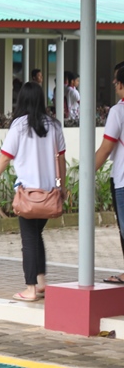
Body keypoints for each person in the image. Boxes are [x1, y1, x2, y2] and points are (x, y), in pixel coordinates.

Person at [0, 82, 66, 301]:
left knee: (28, 240)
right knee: (36, 235)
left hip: (28, 195)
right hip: (49, 194)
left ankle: (30, 289)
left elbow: (4, 159)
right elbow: (61, 158)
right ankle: (41, 281)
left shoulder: (19, 125)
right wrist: (62, 186)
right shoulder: (54, 125)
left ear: (21, 100)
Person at [96, 66, 124, 284]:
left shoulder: (118, 111)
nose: (114, 85)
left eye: (115, 81)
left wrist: (86, 174)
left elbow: (106, 149)